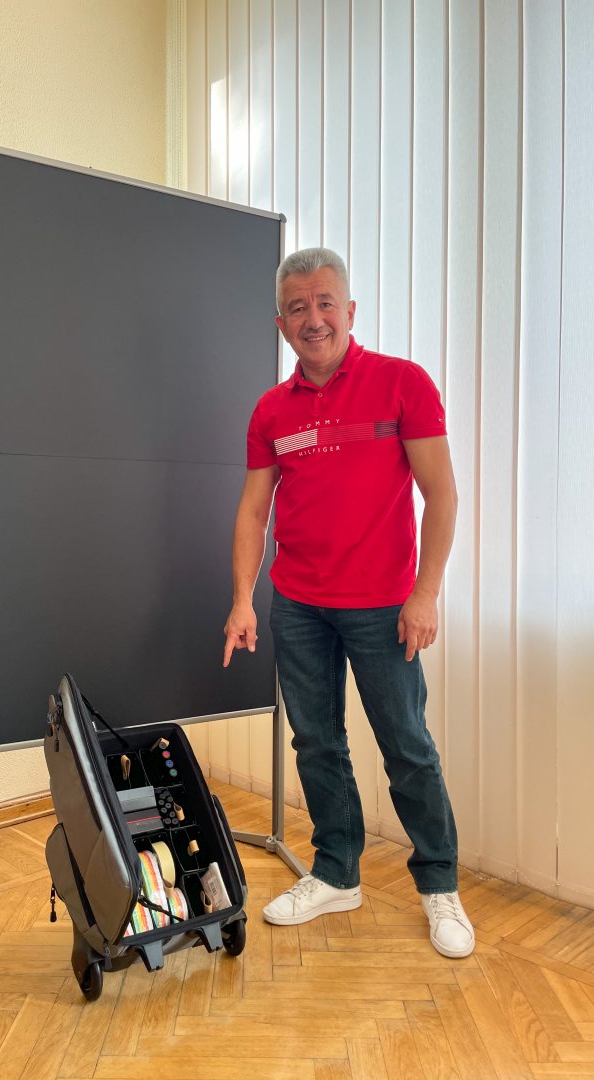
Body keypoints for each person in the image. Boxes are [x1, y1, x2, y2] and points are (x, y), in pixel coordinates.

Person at [222, 247, 474, 959]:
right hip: (298, 606)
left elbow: (442, 495)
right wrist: (242, 600)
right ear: (281, 323)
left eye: (325, 302)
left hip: (383, 608)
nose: (313, 318)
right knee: (317, 744)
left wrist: (425, 594)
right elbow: (253, 511)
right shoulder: (270, 411)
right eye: (297, 308)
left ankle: (439, 885)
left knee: (407, 748)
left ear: (350, 310)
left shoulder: (402, 383)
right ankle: (336, 873)